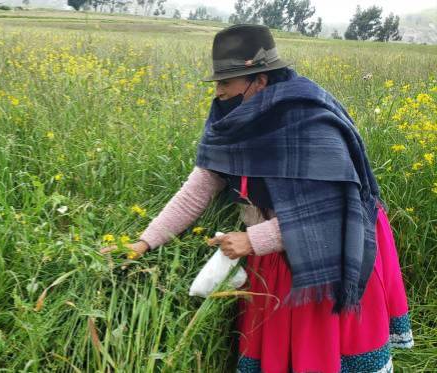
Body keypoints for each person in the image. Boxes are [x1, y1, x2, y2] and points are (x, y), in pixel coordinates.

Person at [99, 24, 413, 372]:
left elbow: (336, 210)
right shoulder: (232, 119)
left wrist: (254, 239)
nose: (218, 93)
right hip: (274, 249)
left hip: (326, 249)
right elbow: (198, 188)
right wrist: (143, 243)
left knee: (322, 350)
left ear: (259, 81)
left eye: (226, 83)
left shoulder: (308, 121)